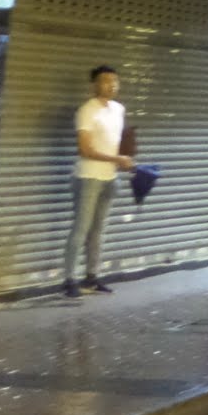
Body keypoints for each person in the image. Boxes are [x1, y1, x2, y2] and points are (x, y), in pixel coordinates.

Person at [63, 66, 134, 298]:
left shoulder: (119, 109)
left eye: (115, 80)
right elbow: (84, 149)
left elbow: (117, 141)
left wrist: (126, 158)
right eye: (105, 80)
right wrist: (116, 158)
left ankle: (92, 277)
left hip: (110, 178)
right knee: (81, 229)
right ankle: (69, 280)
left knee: (98, 231)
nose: (111, 84)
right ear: (94, 85)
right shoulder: (87, 110)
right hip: (88, 177)